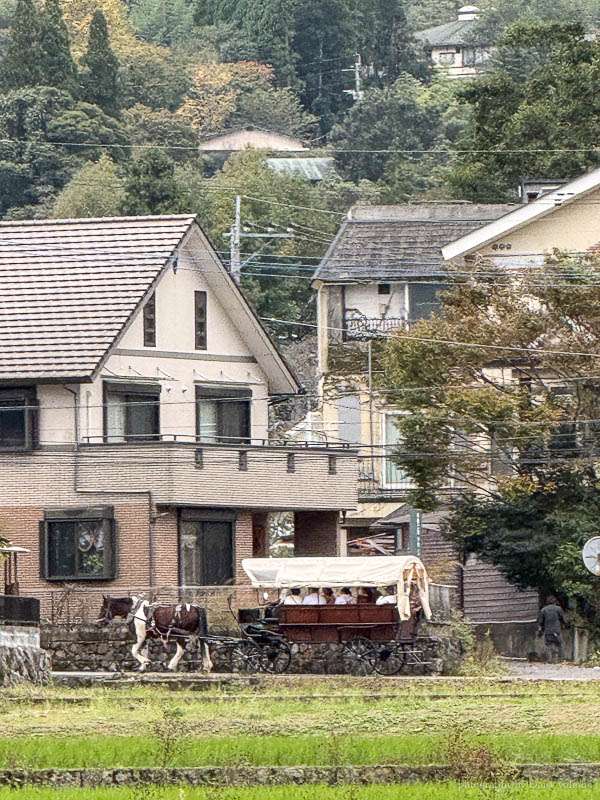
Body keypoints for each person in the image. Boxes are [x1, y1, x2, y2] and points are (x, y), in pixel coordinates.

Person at [537, 595, 569, 662]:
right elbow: (564, 619)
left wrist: (540, 632)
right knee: (560, 644)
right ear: (555, 602)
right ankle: (561, 659)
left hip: (548, 630)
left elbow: (541, 622)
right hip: (556, 630)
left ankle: (549, 659)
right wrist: (567, 625)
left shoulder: (543, 610)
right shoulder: (558, 609)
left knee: (549, 644)